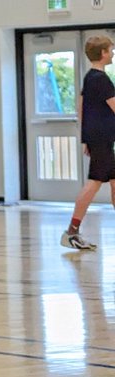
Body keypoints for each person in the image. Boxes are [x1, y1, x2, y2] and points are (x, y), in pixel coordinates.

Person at [62, 34, 115, 250]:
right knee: (93, 183)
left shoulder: (89, 77)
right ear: (103, 53)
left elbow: (81, 107)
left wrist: (86, 139)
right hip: (102, 139)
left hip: (99, 139)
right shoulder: (101, 79)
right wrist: (90, 139)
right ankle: (71, 232)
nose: (112, 53)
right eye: (110, 49)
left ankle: (72, 231)